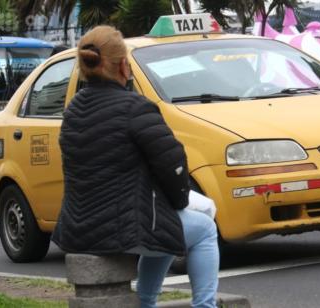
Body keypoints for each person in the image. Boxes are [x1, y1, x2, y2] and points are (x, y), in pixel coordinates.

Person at [51, 26, 219, 308]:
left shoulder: (73, 111)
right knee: (202, 228)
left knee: (165, 224)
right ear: (124, 65)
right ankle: (203, 306)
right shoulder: (135, 107)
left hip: (77, 229)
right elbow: (173, 163)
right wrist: (178, 201)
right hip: (122, 228)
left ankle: (146, 302)